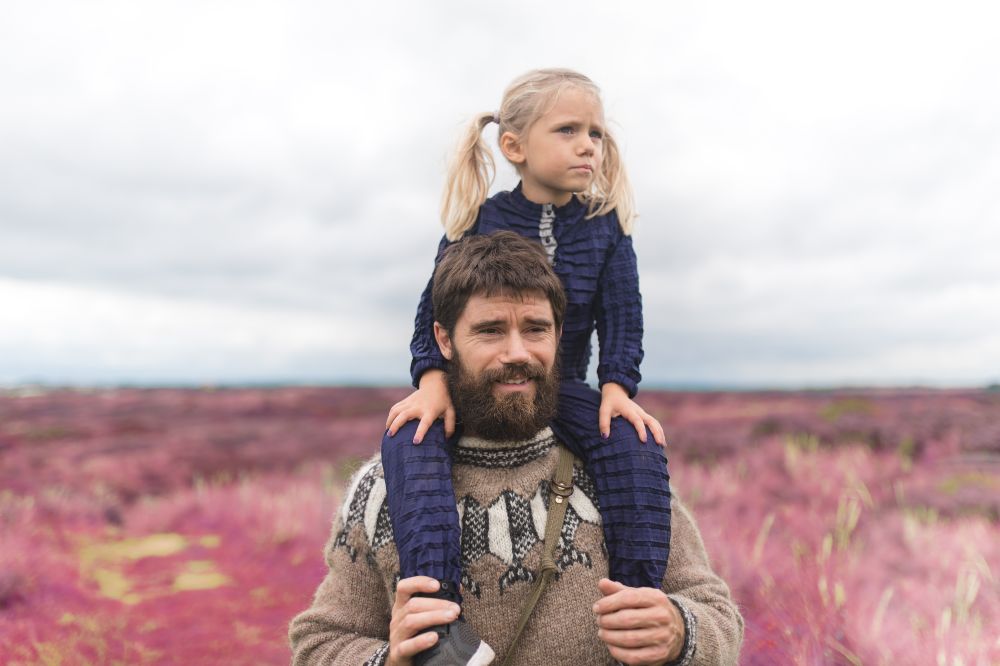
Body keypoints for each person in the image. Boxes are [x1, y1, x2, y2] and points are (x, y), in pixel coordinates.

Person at [289, 232, 743, 665]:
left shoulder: (625, 472)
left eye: (535, 329)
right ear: (444, 340)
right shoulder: (383, 488)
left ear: (558, 334)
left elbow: (718, 616)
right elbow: (320, 641)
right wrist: (392, 660)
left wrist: (681, 632)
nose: (517, 352)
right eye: (490, 331)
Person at [381, 68, 672, 663]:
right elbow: (428, 316)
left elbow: (624, 313)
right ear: (514, 146)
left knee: (634, 443)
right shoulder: (475, 223)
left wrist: (618, 386)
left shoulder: (606, 228)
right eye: (568, 129)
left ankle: (638, 604)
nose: (588, 144)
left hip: (560, 389)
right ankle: (439, 627)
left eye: (595, 132)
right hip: (472, 388)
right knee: (410, 439)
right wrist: (433, 383)